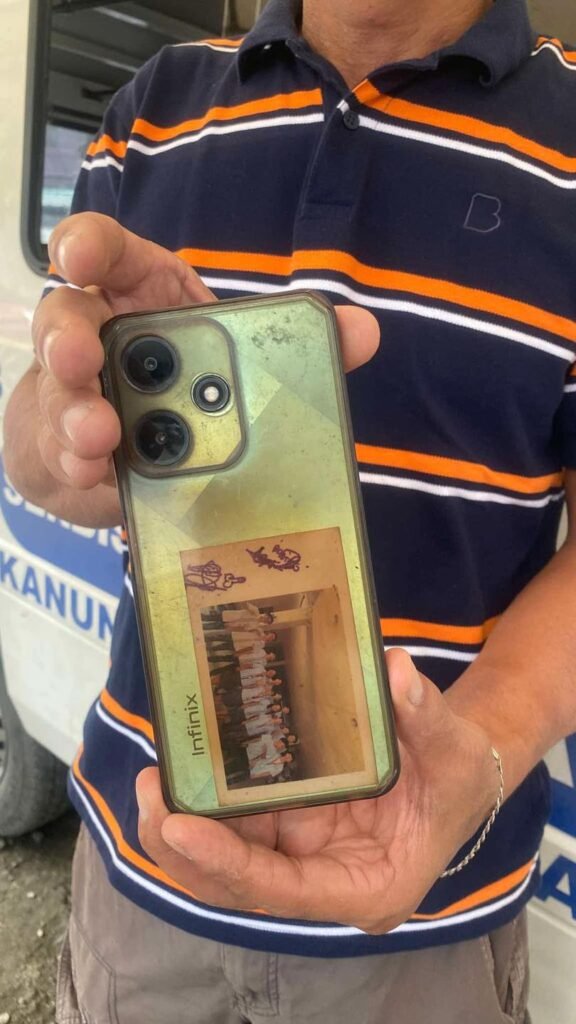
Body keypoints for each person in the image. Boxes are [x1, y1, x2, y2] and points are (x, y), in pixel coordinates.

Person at [5, 0, 576, 1020]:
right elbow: (39, 444)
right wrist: (59, 440)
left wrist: (482, 744)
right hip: (142, 869)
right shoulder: (157, 105)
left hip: (429, 918)